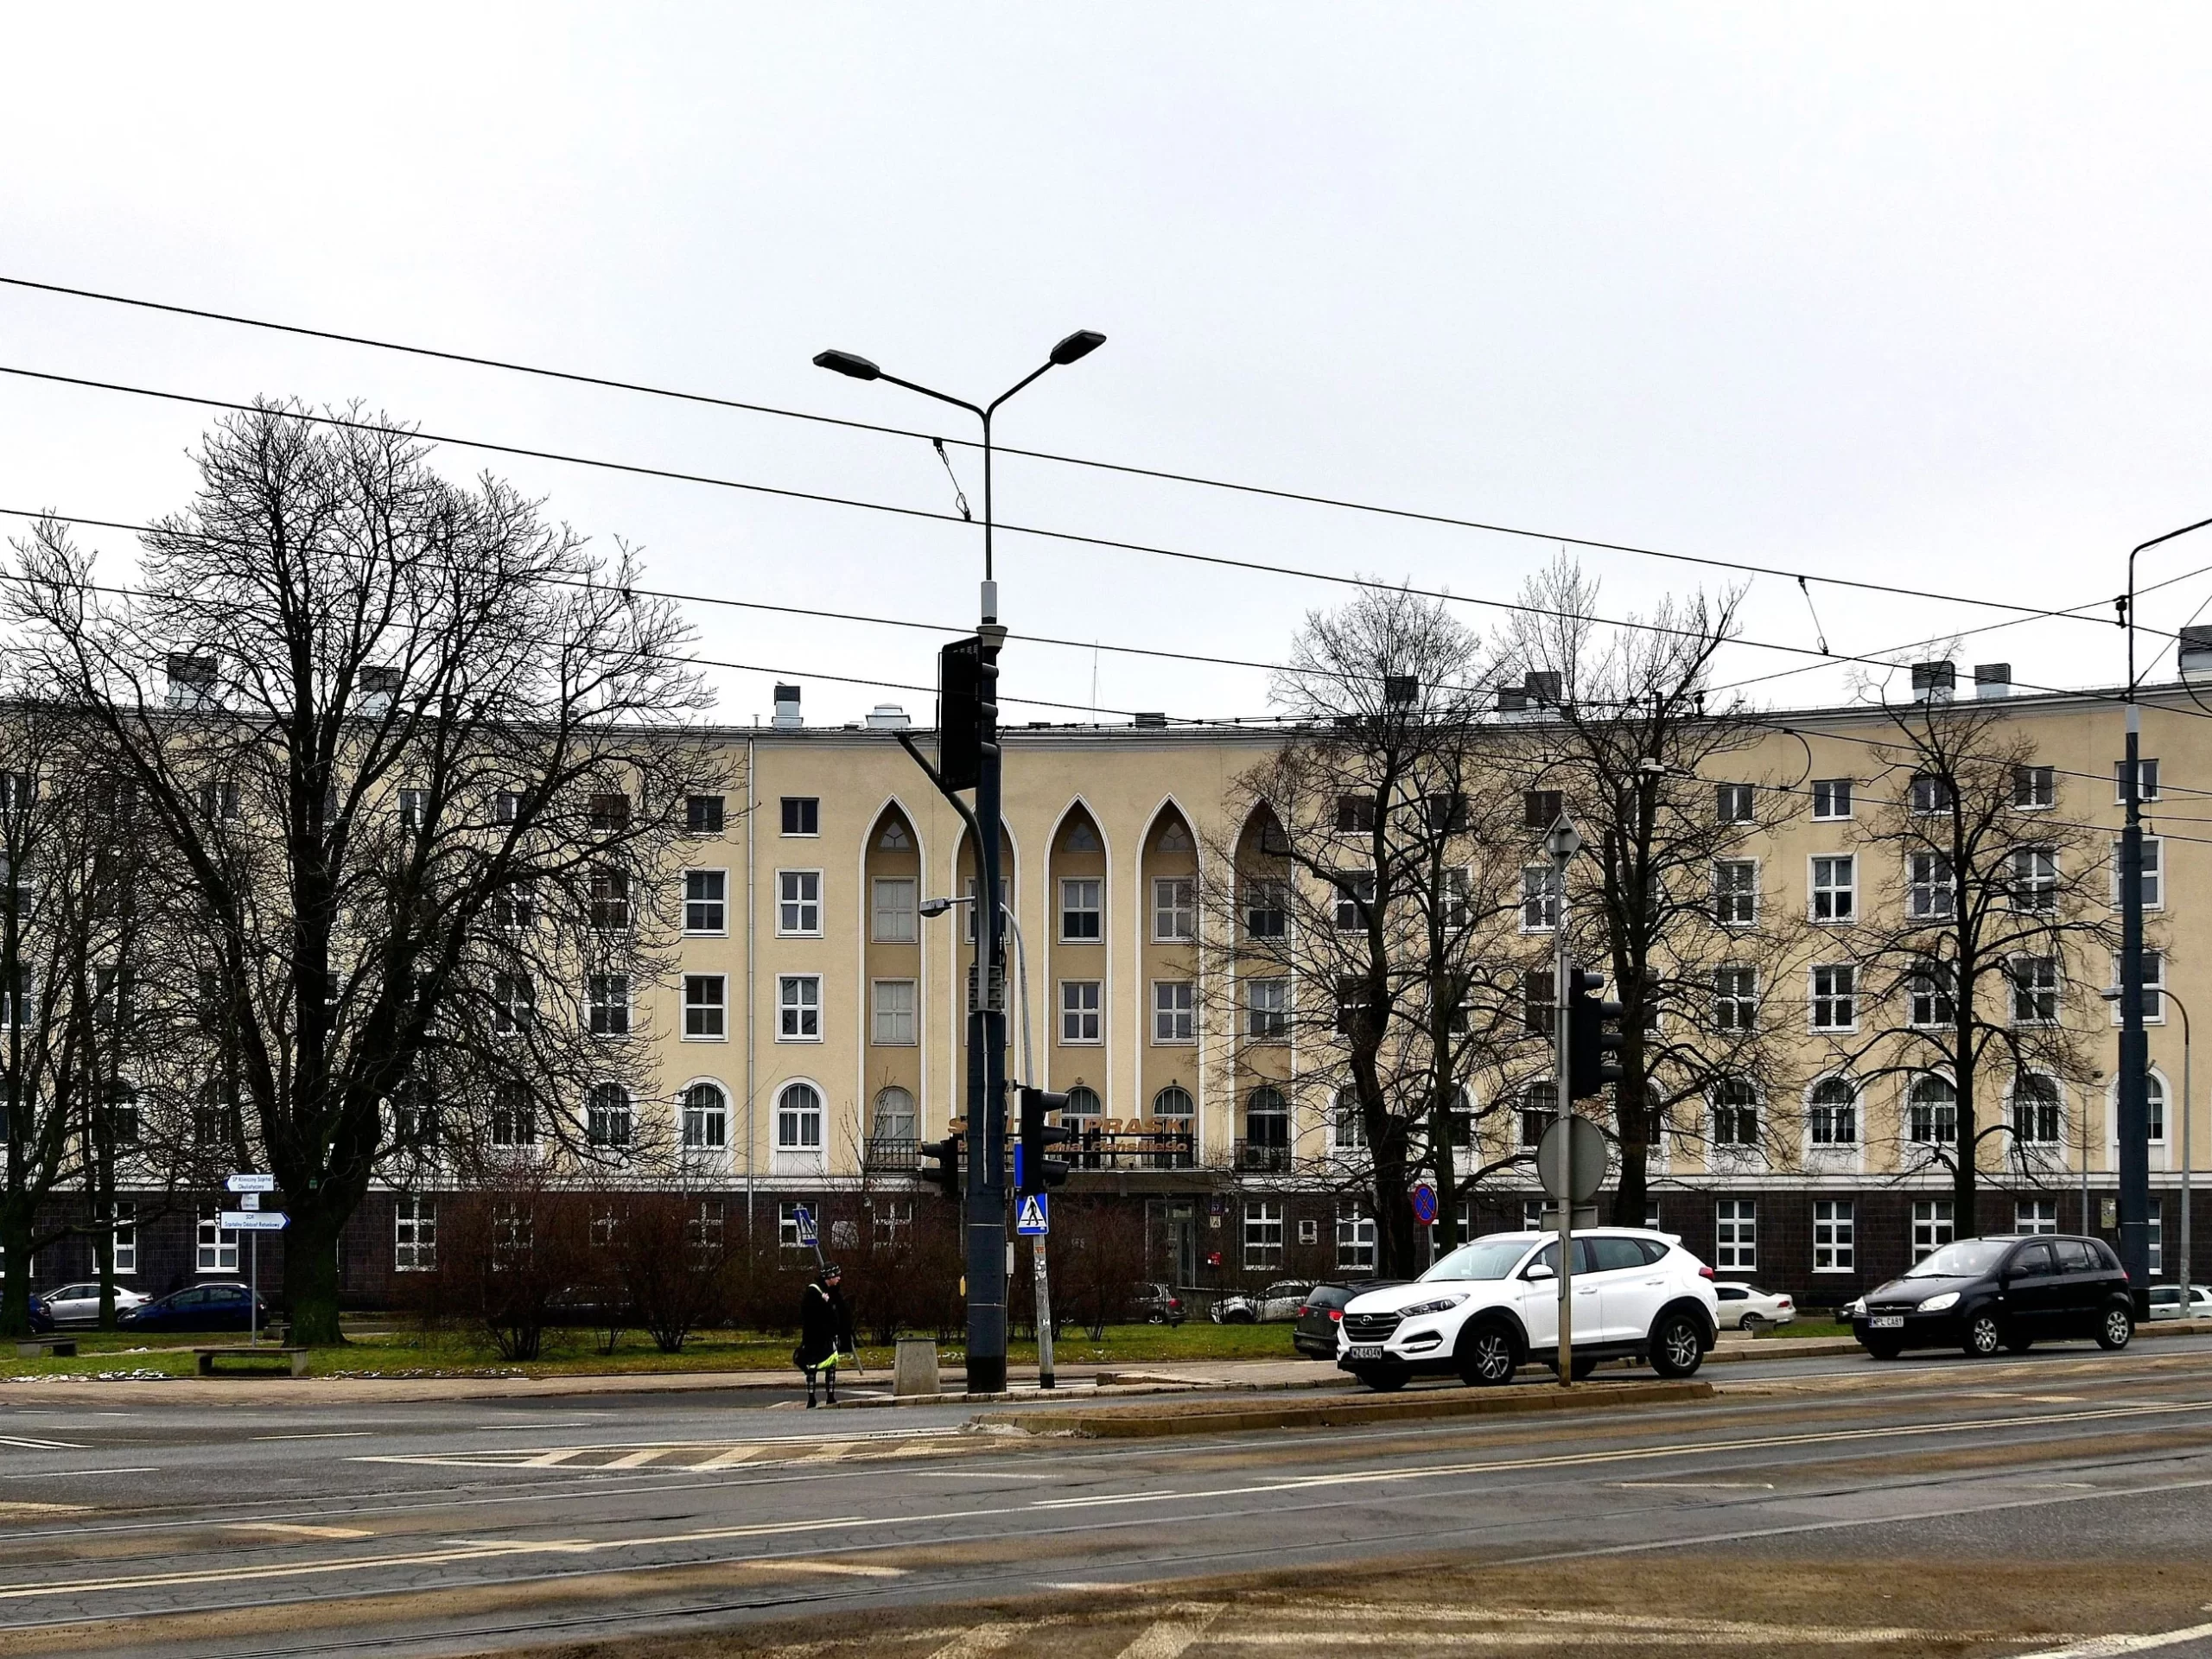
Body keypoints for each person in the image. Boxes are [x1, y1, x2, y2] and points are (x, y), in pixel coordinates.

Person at [796, 1262, 855, 1407]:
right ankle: (811, 1398)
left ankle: (830, 1396)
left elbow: (841, 1313)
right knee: (812, 1367)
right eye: (837, 1275)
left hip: (830, 1336)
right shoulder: (813, 1292)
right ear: (829, 1276)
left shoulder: (834, 1292)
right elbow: (809, 1314)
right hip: (815, 1337)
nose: (839, 1278)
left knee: (831, 1365)